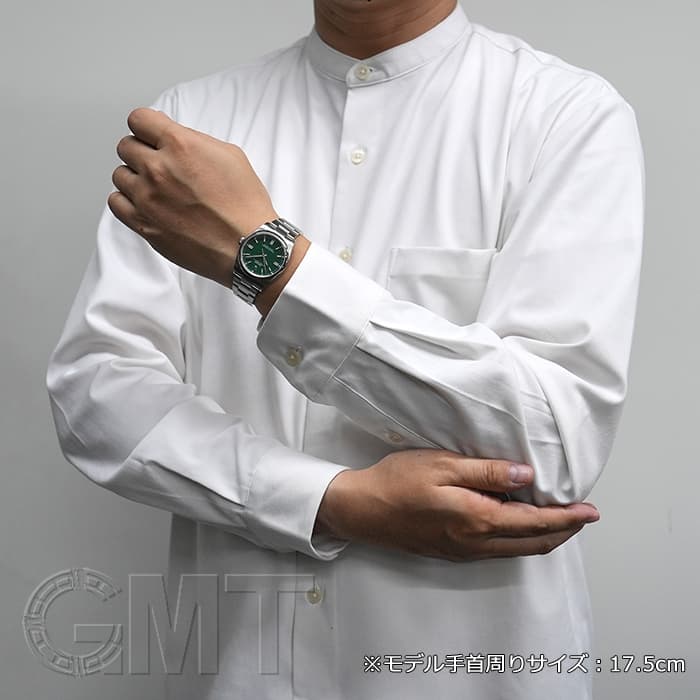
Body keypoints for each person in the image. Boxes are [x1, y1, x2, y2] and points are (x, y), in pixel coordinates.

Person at [46, 0, 644, 697]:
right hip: (241, 674)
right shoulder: (191, 124)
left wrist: (269, 263)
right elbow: (97, 393)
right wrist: (325, 501)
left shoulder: (563, 114)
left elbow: (552, 444)